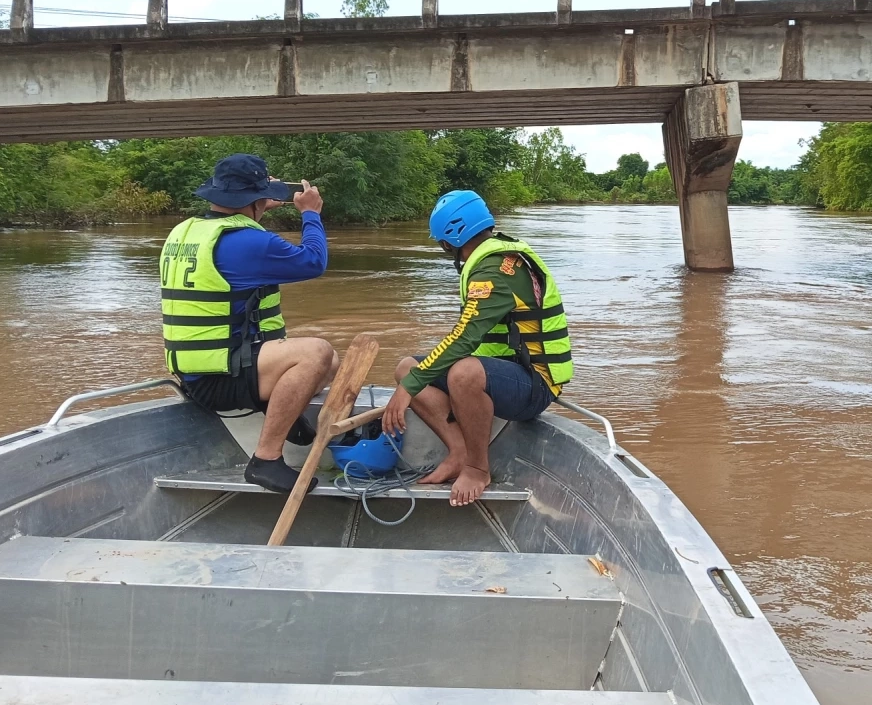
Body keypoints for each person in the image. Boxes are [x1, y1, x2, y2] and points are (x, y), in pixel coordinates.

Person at [160, 153, 338, 494]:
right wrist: (311, 214)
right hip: (221, 380)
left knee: (331, 364)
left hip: (200, 371)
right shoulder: (249, 242)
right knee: (318, 353)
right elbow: (314, 262)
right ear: (254, 200)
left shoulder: (186, 232)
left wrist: (255, 205)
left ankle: (275, 409)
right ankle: (266, 460)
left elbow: (235, 244)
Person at [381, 190, 573, 506]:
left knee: (463, 373)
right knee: (407, 367)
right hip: (504, 373)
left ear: (450, 241)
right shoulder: (491, 260)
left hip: (534, 384)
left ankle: (476, 468)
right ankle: (459, 452)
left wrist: (408, 391)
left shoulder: (496, 269)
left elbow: (465, 338)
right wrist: (411, 381)